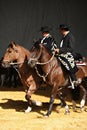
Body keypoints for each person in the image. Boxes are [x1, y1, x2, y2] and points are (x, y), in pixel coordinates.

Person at [55, 24, 81, 89]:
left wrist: (60, 50)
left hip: (69, 54)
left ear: (63, 30)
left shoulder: (70, 37)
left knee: (66, 62)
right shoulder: (64, 37)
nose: (60, 31)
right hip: (62, 53)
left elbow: (71, 48)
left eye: (60, 30)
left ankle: (74, 79)